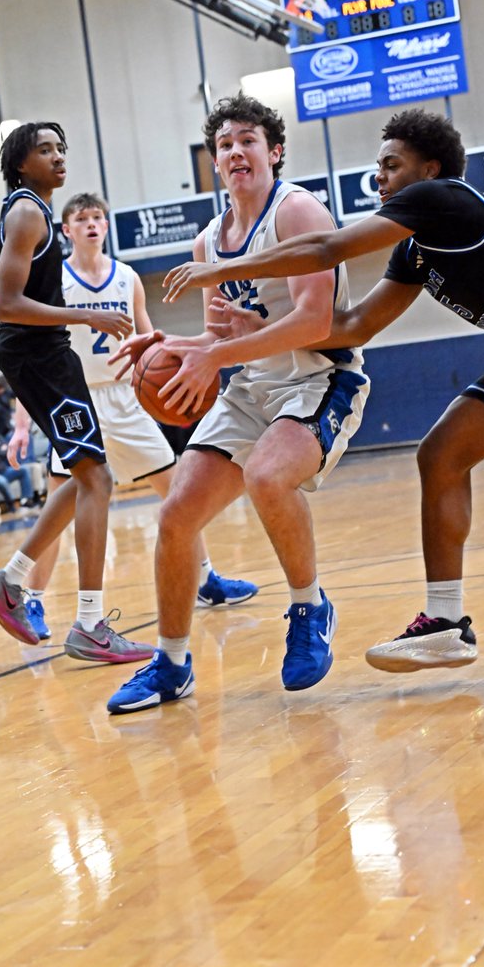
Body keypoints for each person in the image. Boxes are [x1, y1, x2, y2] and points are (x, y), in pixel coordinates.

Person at [163, 106, 484, 675]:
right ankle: (445, 623)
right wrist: (259, 333)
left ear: (429, 168)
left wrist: (219, 270)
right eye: (377, 167)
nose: (379, 178)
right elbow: (354, 328)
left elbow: (323, 250)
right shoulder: (415, 250)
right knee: (440, 455)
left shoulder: (445, 199)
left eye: (391, 165)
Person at [105, 91, 369, 715]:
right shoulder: (209, 242)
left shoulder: (298, 211)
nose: (235, 152)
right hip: (251, 385)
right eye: (224, 145)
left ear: (273, 152)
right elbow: (223, 338)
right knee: (175, 517)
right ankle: (170, 663)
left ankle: (310, 606)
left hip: (317, 379)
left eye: (248, 140)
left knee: (267, 476)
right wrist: (167, 343)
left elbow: (315, 320)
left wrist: (217, 355)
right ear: (215, 163)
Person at [8, 190, 258, 643]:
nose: (91, 224)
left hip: (127, 397)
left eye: (97, 217)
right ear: (66, 229)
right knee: (59, 506)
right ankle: (32, 600)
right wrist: (22, 422)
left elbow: (150, 340)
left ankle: (205, 579)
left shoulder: (127, 277)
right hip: (77, 400)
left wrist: (174, 379)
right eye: (81, 218)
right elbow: (38, 355)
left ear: (106, 226)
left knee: (180, 491)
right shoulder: (56, 282)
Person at [0, 120, 153, 665]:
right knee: (97, 478)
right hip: (40, 356)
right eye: (44, 150)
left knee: (87, 477)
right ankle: (90, 624)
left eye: (60, 149)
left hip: (43, 354)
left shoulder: (31, 213)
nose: (58, 157)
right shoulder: (27, 211)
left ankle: (13, 580)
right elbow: (4, 304)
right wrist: (86, 313)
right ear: (21, 163)